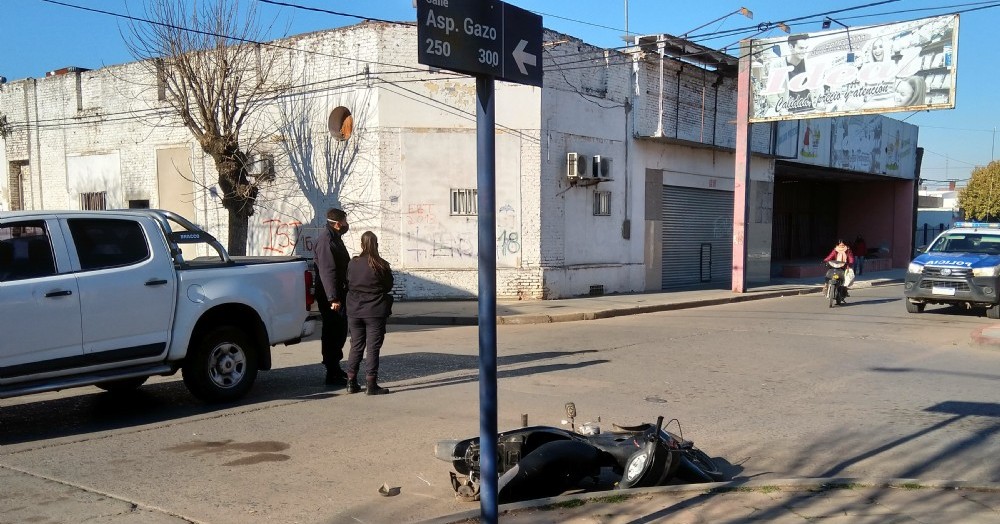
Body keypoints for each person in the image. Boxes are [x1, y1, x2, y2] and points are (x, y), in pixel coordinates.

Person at [345, 231, 394, 395]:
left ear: (361, 244)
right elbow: (388, 286)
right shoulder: (381, 264)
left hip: (354, 310)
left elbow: (348, 282)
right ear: (377, 244)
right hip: (375, 310)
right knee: (373, 348)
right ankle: (371, 384)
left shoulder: (353, 263)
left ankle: (351, 382)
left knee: (356, 346)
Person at [313, 208, 351, 386]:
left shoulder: (334, 238)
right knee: (333, 332)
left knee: (339, 331)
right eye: (344, 221)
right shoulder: (327, 241)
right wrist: (333, 298)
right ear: (337, 223)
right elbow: (328, 271)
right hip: (331, 297)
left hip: (337, 293)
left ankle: (334, 368)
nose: (346, 224)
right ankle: (332, 370)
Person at [784, 34, 813, 113]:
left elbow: (817, 87)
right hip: (788, 114)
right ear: (791, 47)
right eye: (801, 48)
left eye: (806, 48)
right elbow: (771, 95)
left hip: (808, 111)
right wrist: (781, 111)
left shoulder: (810, 64)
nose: (804, 51)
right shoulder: (778, 65)